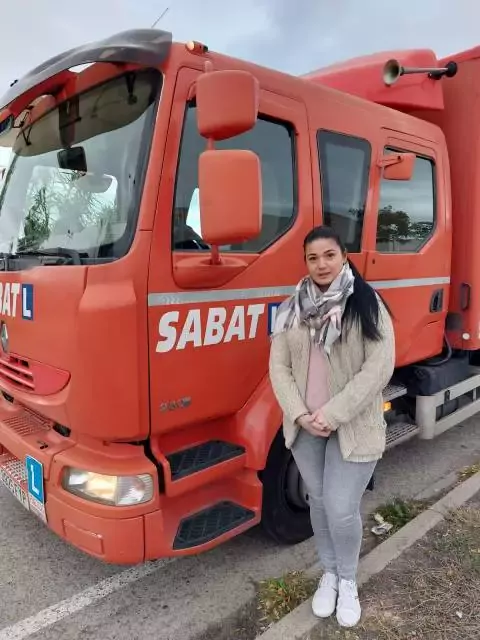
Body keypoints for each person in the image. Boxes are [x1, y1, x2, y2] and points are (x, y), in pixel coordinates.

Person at [269, 225, 395, 628]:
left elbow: (378, 369)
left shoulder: (367, 303)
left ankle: (348, 580)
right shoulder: (293, 307)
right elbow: (279, 367)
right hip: (306, 426)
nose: (321, 264)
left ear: (343, 256)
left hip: (351, 423)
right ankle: (328, 573)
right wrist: (301, 414)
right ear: (305, 263)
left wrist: (333, 413)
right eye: (312, 257)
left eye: (328, 255)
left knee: (341, 509)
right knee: (320, 504)